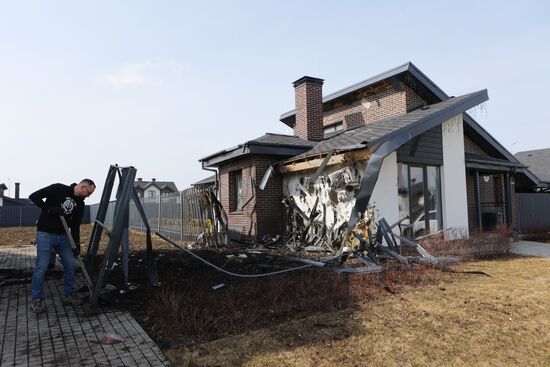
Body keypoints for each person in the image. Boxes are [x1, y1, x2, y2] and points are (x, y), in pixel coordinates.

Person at [29, 179, 96, 313]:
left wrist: (76, 243)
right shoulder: (58, 189)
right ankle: (37, 299)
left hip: (64, 235)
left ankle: (69, 294)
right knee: (42, 266)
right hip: (45, 233)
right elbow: (33, 196)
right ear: (82, 186)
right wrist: (50, 209)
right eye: (88, 193)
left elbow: (76, 225)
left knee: (70, 264)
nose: (88, 196)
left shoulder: (80, 204)